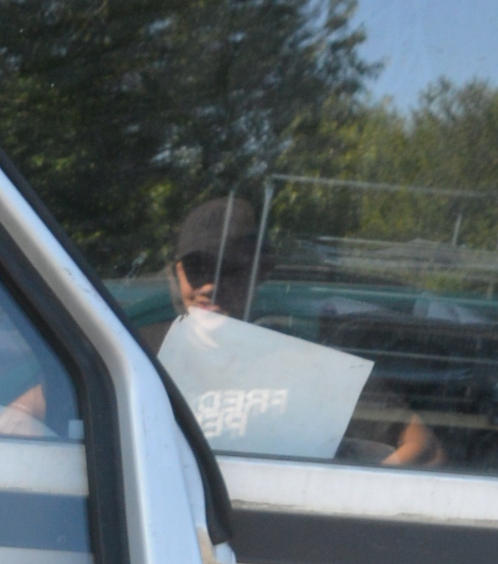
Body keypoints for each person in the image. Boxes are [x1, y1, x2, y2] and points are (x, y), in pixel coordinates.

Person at [156, 195, 442, 469]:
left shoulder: (308, 363)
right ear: (176, 273)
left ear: (261, 270)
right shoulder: (143, 358)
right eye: (197, 268)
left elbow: (425, 449)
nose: (210, 285)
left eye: (228, 268)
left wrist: (339, 493)